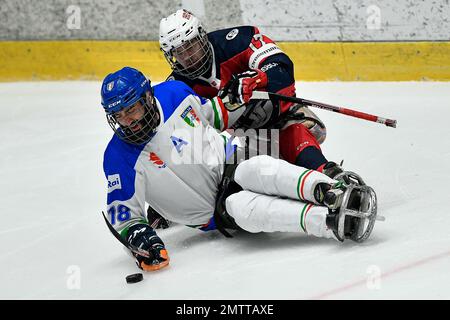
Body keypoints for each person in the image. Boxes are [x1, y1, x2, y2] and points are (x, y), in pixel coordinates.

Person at [100, 66, 378, 272]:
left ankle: (331, 192)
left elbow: (212, 114)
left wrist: (236, 99)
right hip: (215, 212)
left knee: (258, 168)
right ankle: (329, 222)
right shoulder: (117, 157)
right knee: (242, 207)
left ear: (147, 98)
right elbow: (123, 213)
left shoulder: (174, 94)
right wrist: (140, 236)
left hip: (232, 160)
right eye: (119, 116)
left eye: (132, 110)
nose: (128, 122)